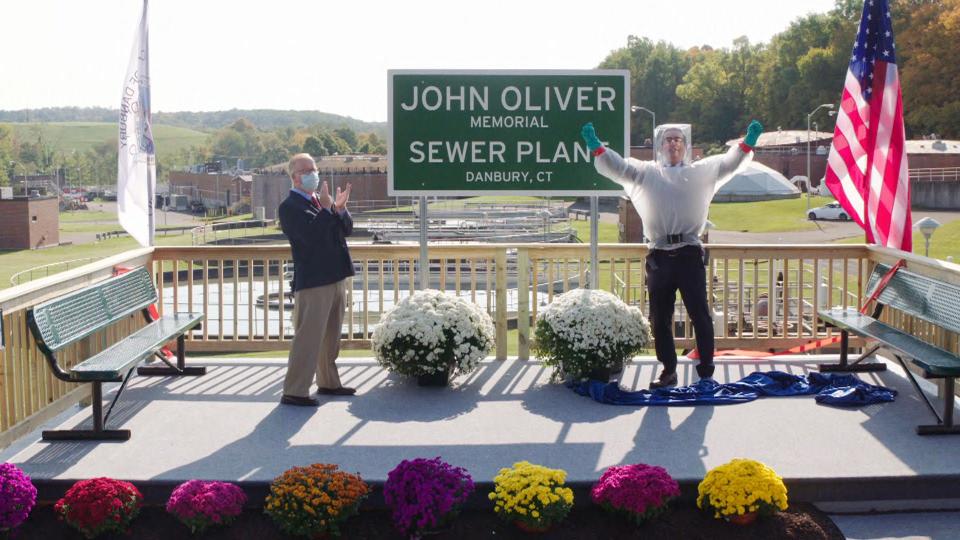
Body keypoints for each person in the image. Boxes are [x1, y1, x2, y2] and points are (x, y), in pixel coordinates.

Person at [581, 120, 763, 388]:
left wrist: (747, 143)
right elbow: (618, 168)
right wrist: (597, 148)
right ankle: (668, 370)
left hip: (689, 254)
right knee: (660, 317)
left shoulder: (702, 172)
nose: (673, 143)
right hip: (659, 256)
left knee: (700, 315)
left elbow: (730, 164)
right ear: (660, 146)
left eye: (678, 139)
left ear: (686, 145)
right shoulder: (646, 173)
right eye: (667, 139)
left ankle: (706, 372)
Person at [278, 153, 355, 406]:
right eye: (307, 170)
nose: (313, 174)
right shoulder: (290, 207)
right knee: (308, 338)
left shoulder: (320, 202)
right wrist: (325, 210)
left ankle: (329, 382)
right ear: (295, 177)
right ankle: (295, 390)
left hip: (335, 276)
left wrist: (340, 209)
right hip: (314, 282)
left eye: (314, 169)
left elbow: (344, 230)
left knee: (331, 337)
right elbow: (309, 238)